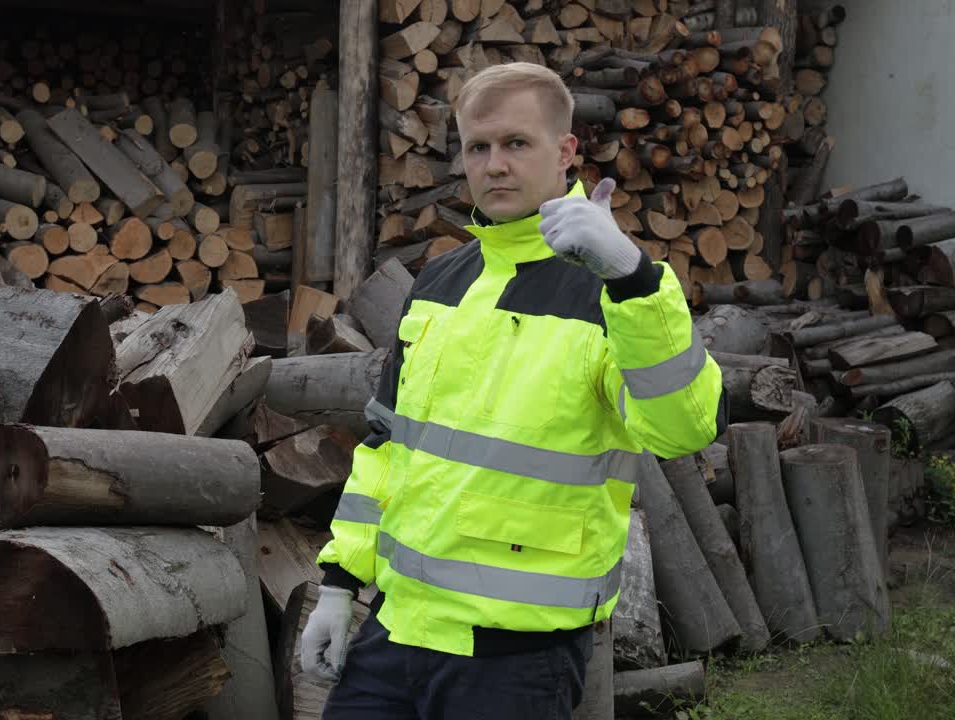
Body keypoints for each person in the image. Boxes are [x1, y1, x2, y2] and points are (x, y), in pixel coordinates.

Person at [300, 61, 727, 719]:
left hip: (517, 658)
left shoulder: (614, 291)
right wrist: (338, 584)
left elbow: (682, 428)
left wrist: (635, 279)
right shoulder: (440, 283)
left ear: (565, 152)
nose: (494, 164)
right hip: (397, 632)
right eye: (479, 147)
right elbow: (387, 448)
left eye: (516, 144)